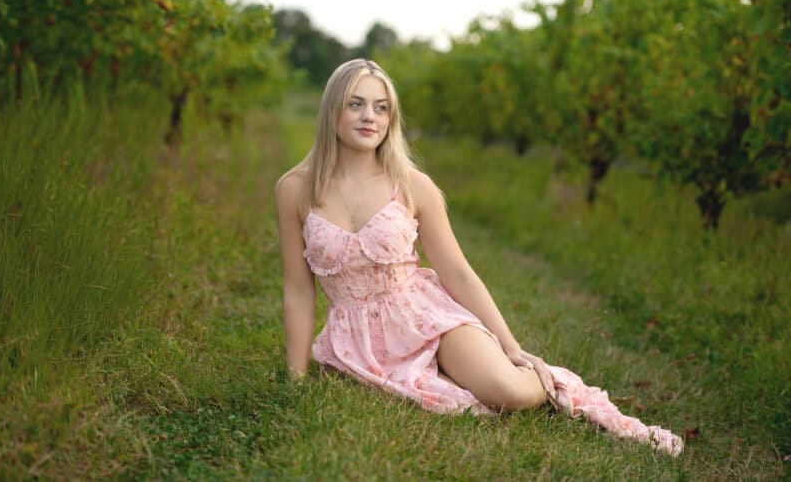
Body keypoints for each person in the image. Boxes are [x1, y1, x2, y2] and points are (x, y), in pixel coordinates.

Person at [275, 58, 683, 456]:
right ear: (332, 110)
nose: (370, 117)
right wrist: (295, 379)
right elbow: (298, 290)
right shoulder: (295, 189)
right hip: (357, 338)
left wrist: (511, 345)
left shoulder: (413, 185)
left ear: (391, 119)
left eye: (382, 108)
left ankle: (544, 380)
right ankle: (446, 373)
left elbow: (457, 271)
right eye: (356, 103)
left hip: (425, 315)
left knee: (506, 391)